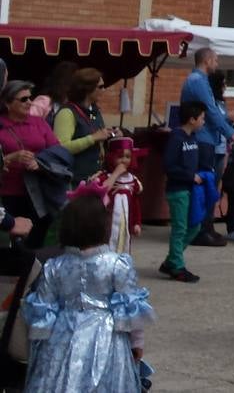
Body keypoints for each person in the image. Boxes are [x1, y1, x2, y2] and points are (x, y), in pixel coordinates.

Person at [21, 195, 154, 393]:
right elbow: (130, 307)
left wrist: (39, 351)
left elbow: (42, 312)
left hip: (61, 336)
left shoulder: (54, 266)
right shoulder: (117, 264)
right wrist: (137, 343)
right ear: (103, 227)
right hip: (107, 339)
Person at [179, 48, 234, 247]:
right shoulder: (198, 81)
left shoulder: (197, 81)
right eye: (215, 60)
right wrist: (230, 133)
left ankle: (206, 228)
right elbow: (210, 110)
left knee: (208, 186)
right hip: (203, 139)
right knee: (203, 186)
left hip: (208, 138)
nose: (217, 63)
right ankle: (199, 230)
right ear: (207, 60)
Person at [0, 80, 61, 249]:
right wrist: (10, 157)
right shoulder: (1, 125)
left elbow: (57, 152)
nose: (29, 102)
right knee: (10, 241)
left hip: (38, 192)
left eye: (30, 98)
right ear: (7, 103)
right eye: (23, 99)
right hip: (7, 192)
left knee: (36, 239)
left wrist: (40, 163)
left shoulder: (39, 123)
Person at [159, 101, 206, 283]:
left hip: (190, 190)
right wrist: (189, 176)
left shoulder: (193, 138)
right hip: (177, 191)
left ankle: (170, 261)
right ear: (192, 119)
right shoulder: (176, 138)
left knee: (195, 227)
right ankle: (177, 267)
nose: (203, 122)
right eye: (202, 118)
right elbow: (169, 166)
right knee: (180, 229)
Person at [76, 137, 143, 254]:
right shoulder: (104, 177)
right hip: (107, 224)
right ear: (112, 157)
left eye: (127, 157)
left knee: (123, 245)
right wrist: (116, 174)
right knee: (106, 247)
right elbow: (102, 190)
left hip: (125, 224)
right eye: (120, 157)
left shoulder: (133, 180)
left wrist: (137, 223)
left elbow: (135, 203)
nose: (124, 160)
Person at [54, 68, 116, 185]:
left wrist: (110, 134)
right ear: (88, 89)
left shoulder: (94, 111)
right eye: (100, 87)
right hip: (73, 181)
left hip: (95, 178)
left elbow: (97, 137)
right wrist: (92, 138)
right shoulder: (67, 113)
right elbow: (60, 148)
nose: (104, 90)